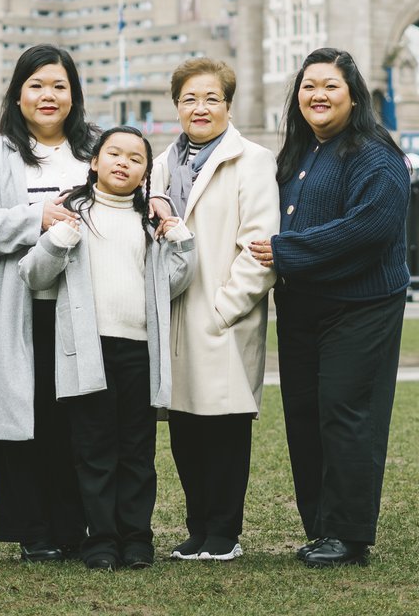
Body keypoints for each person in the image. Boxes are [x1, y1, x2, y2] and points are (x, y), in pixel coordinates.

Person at [249, 47, 411, 569]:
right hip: (302, 307)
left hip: (359, 307)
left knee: (346, 414)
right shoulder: (299, 152)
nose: (317, 96)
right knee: (304, 416)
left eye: (330, 86)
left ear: (354, 95)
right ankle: (320, 527)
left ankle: (349, 534)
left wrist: (288, 251)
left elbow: (370, 227)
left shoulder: (375, 154)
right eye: (308, 87)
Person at [20, 127, 193, 572]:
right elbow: (33, 275)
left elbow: (172, 284)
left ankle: (137, 538)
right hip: (88, 352)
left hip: (139, 351)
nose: (123, 162)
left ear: (145, 172)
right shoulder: (71, 214)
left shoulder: (149, 223)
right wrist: (57, 243)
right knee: (94, 450)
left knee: (137, 451)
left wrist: (180, 242)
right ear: (94, 161)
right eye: (114, 153)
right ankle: (101, 540)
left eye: (136, 158)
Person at [0, 44, 97, 562]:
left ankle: (76, 525)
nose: (48, 95)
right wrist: (37, 216)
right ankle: (32, 531)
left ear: (74, 95)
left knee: (75, 420)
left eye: (59, 86)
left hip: (80, 307)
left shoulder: (96, 149)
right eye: (37, 85)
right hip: (15, 307)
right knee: (22, 418)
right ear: (18, 95)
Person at [144, 57, 279, 563]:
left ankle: (224, 531)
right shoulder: (159, 164)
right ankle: (198, 527)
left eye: (211, 99)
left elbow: (260, 247)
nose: (199, 108)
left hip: (221, 316)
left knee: (224, 428)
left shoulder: (254, 161)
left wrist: (225, 310)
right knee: (184, 429)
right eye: (189, 99)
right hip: (173, 315)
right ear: (176, 105)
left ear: (228, 104)